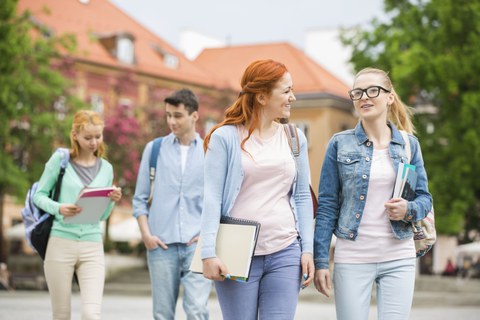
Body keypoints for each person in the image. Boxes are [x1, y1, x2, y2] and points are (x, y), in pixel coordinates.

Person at [313, 67, 433, 320]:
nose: (364, 97)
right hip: (352, 256)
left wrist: (408, 210)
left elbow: (424, 199)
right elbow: (326, 206)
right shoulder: (339, 143)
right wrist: (321, 260)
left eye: (372, 90)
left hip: (398, 255)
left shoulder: (409, 145)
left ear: (389, 97)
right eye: (357, 92)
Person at [200, 59, 314, 320]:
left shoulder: (294, 137)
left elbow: (302, 196)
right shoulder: (225, 138)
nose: (292, 97)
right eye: (286, 91)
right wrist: (208, 252)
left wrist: (307, 248)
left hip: (285, 250)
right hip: (236, 253)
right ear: (262, 96)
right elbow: (212, 197)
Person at [33, 110, 122, 320]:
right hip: (60, 243)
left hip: (92, 244)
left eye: (98, 137)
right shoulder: (60, 161)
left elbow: (101, 216)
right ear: (75, 135)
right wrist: (59, 207)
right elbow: (39, 196)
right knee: (61, 315)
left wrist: (111, 201)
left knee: (92, 315)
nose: (94, 142)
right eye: (88, 137)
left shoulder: (106, 168)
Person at [132, 88, 211, 320]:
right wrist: (146, 235)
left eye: (177, 115)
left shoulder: (210, 151)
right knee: (162, 314)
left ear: (194, 116)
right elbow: (139, 199)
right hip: (161, 245)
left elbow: (221, 201)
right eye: (168, 115)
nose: (171, 121)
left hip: (196, 244)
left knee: (197, 310)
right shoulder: (154, 149)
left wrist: (207, 235)